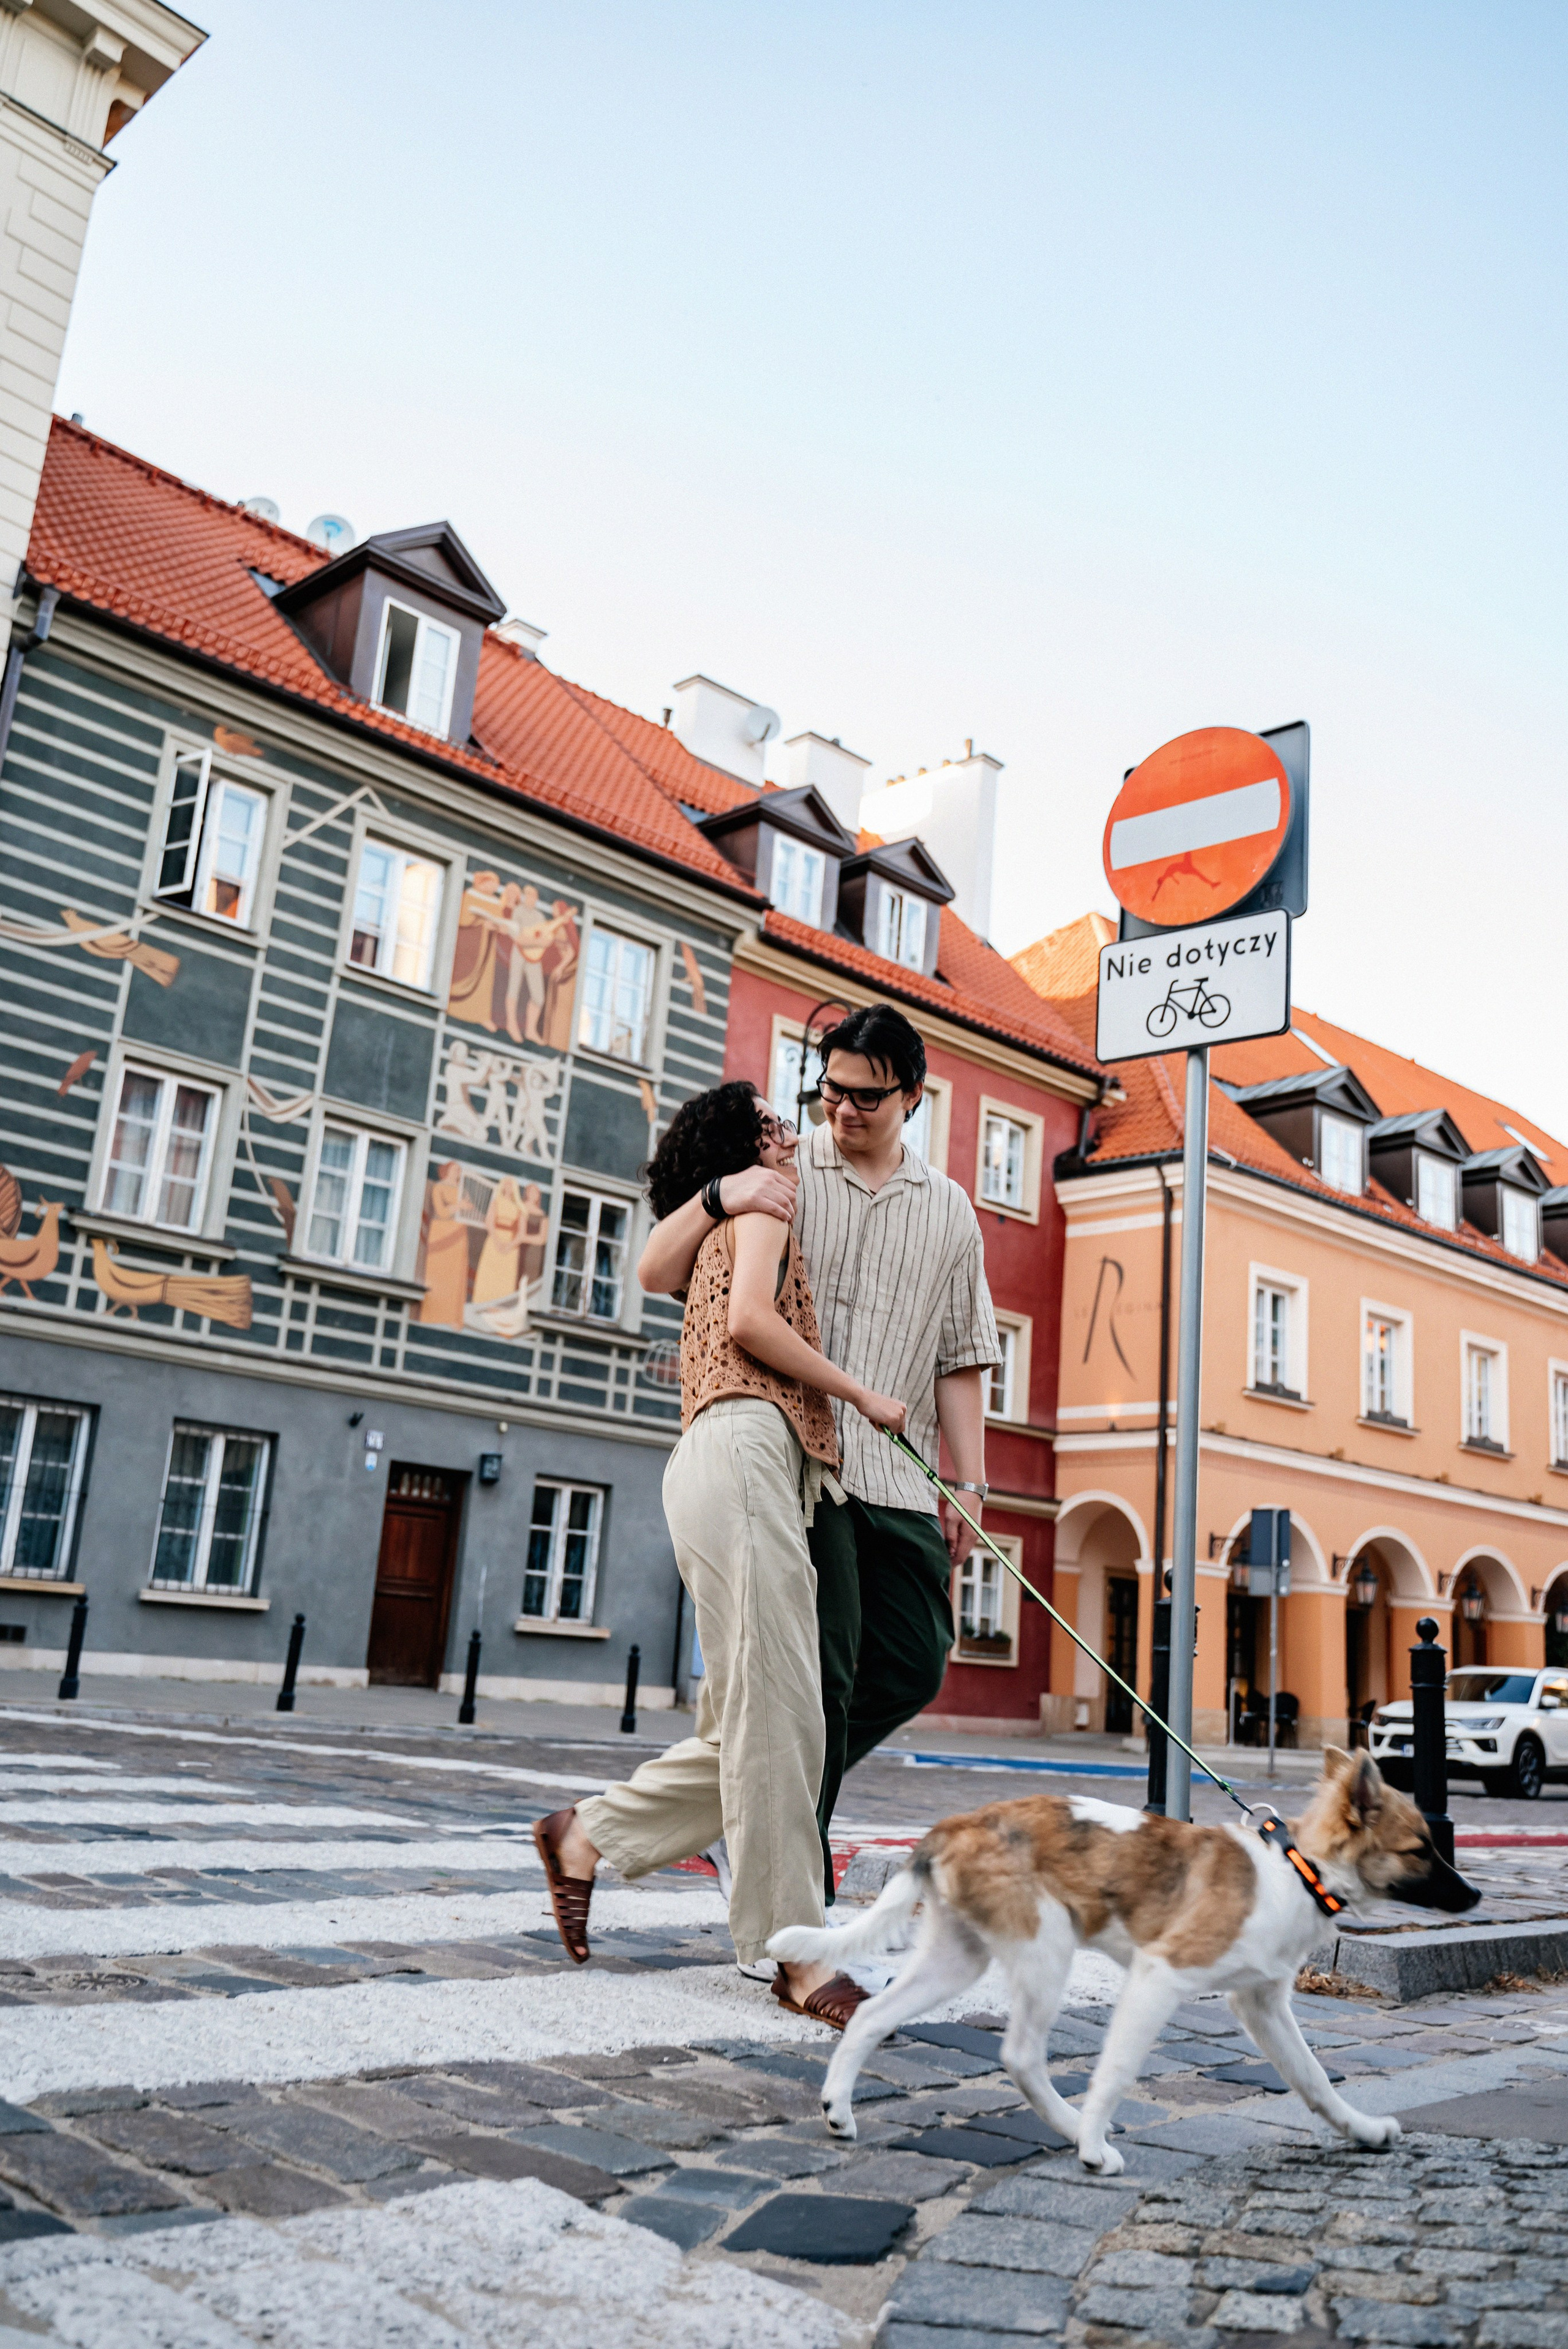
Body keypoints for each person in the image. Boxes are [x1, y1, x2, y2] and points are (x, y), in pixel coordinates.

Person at [532, 1079, 907, 2027]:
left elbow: (660, 1269)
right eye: (774, 1125)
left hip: (717, 1461)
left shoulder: (715, 1222)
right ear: (743, 1151)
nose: (791, 1135)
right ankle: (796, 1955)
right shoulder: (763, 1204)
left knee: (744, 1720)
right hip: (743, 1450)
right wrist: (861, 1397)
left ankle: (586, 1834)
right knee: (782, 1707)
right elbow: (750, 1323)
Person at [638, 1004, 1000, 1898]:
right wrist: (722, 1194)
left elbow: (962, 1355)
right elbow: (668, 1267)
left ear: (913, 1095)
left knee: (914, 1661)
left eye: (867, 1097)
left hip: (905, 1477)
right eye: (831, 1089)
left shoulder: (951, 1211)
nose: (842, 1110)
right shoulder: (782, 1169)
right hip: (811, 1467)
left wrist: (972, 1484)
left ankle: (742, 1815)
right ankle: (791, 1880)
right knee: (823, 1674)